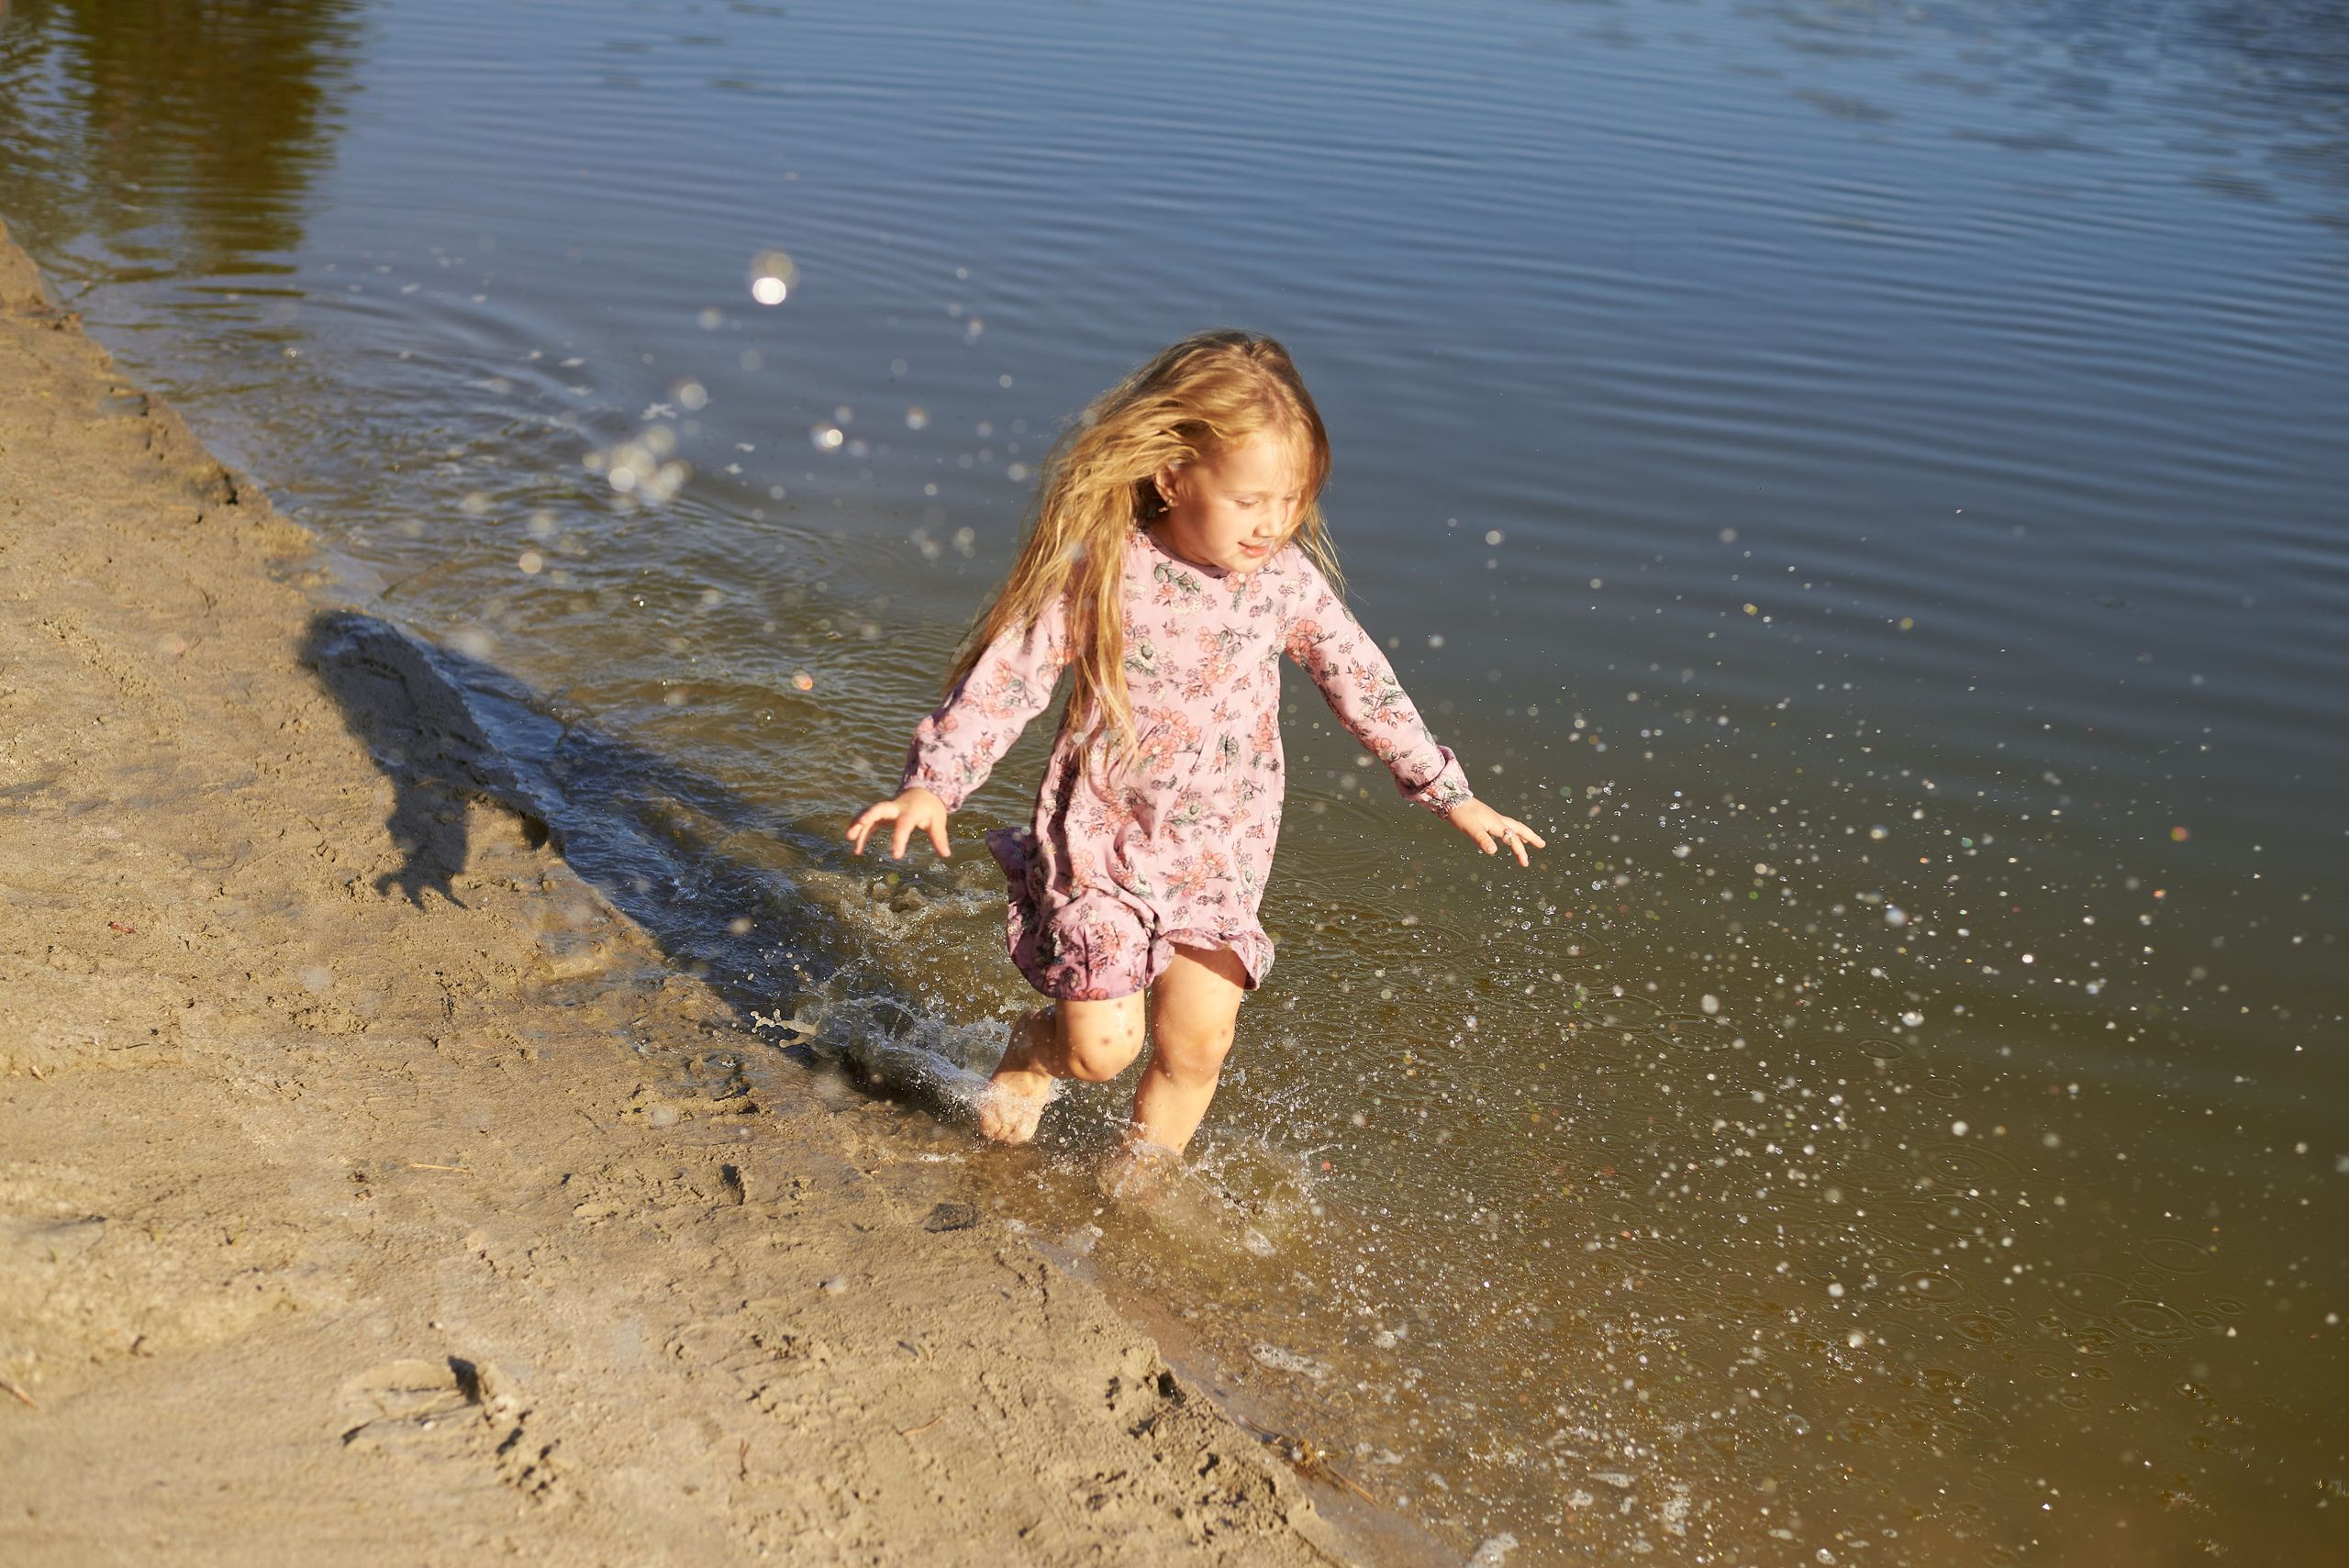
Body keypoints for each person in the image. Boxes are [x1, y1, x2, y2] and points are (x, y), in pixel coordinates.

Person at [847, 330, 1543, 1178]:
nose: (1273, 523)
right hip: (1103, 842)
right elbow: (1010, 677)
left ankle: (1134, 1191)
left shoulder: (1284, 582)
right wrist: (934, 783)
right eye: (1250, 500)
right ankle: (1034, 1050)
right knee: (1102, 1049)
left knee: (1198, 1045)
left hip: (1222, 853)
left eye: (1292, 500)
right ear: (1173, 476)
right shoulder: (1104, 569)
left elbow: (1362, 681)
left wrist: (1447, 790)